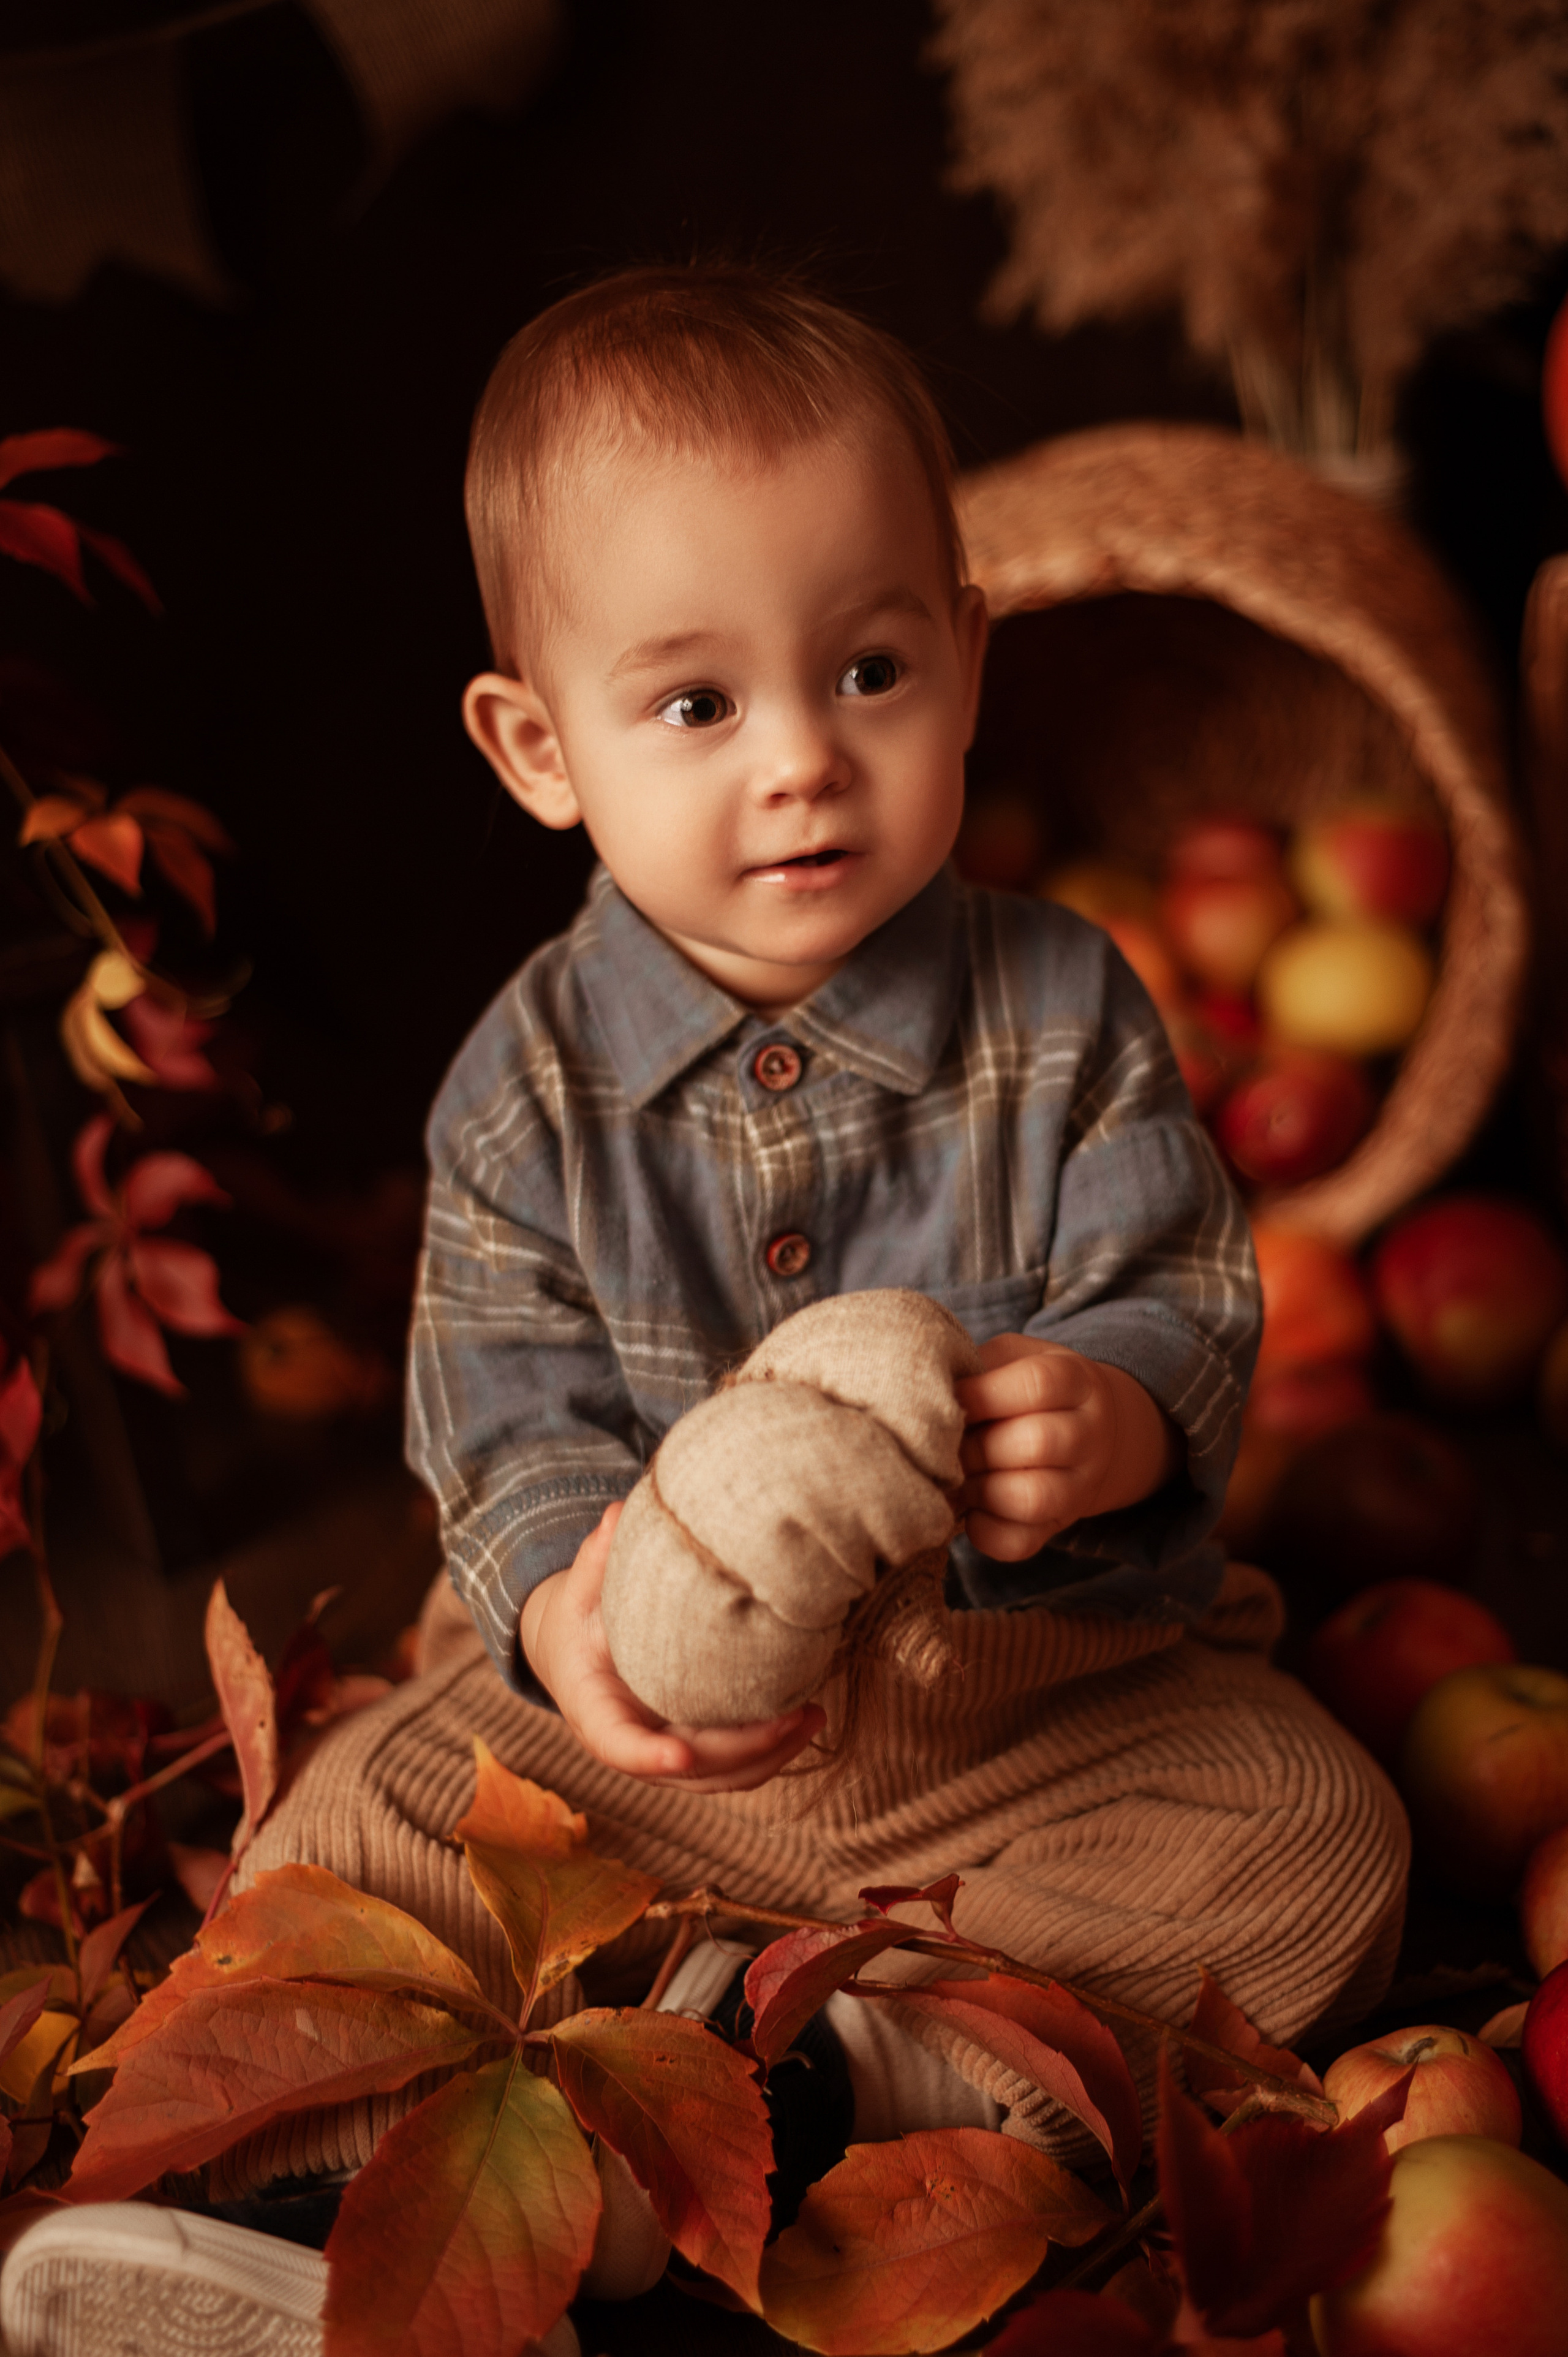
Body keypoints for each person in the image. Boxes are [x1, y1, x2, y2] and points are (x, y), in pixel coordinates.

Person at [1, 265, 1408, 2357]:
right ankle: (300, 2185)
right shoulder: (523, 1086)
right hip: (636, 1753)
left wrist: (1105, 1416)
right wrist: (573, 1610)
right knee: (354, 1809)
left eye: (866, 670)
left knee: (1321, 1842)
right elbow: (499, 1413)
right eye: (697, 705)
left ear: (969, 662)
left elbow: (1179, 1289)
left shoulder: (1068, 1008)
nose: (801, 768)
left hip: (1021, 1726)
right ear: (537, 747)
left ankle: (857, 2080)